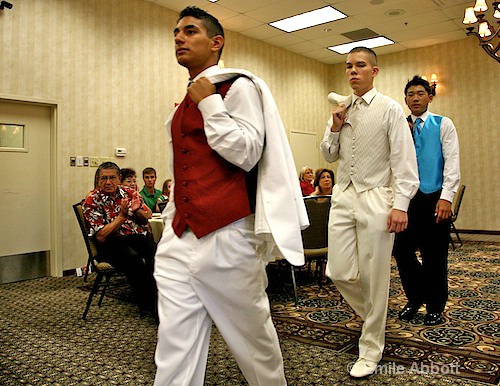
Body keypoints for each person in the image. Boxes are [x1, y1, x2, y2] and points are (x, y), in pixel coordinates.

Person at [153, 6, 308, 386]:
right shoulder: (182, 105)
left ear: (216, 42)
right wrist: (172, 226)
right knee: (174, 346)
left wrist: (210, 103)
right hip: (179, 238)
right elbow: (183, 171)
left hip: (227, 236)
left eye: (190, 31)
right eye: (176, 32)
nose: (179, 37)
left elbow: (247, 151)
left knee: (253, 342)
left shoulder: (237, 87)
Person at [320, 47, 419, 378]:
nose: (352, 71)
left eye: (360, 65)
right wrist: (334, 126)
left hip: (377, 196)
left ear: (374, 71)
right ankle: (377, 317)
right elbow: (328, 155)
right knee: (338, 270)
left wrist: (400, 205)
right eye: (348, 66)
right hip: (344, 196)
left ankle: (371, 347)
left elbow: (404, 162)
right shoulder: (342, 109)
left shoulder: (390, 109)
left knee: (375, 275)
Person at [393, 75, 460, 326]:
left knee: (434, 255)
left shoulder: (443, 124)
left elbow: (452, 163)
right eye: (410, 94)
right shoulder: (399, 125)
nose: (415, 98)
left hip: (434, 198)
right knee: (402, 251)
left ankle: (434, 305)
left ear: (430, 97)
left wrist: (447, 198)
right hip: (406, 200)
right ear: (406, 99)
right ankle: (415, 297)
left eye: (420, 93)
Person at [83, 162, 157, 314]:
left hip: (133, 237)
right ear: (98, 179)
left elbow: (145, 219)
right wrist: (122, 216)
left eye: (112, 178)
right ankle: (152, 307)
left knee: (156, 252)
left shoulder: (128, 193)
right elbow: (101, 236)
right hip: (110, 243)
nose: (108, 182)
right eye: (104, 178)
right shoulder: (92, 200)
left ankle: (162, 299)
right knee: (134, 260)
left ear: (119, 178)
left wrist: (137, 212)